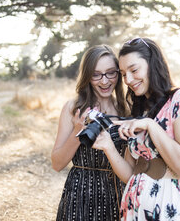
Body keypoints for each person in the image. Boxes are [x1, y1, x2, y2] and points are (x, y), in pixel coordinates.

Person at [92, 38, 180, 220]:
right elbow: (130, 174)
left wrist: (151, 126)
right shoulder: (139, 110)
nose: (128, 79)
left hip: (168, 206)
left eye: (134, 70)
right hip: (135, 206)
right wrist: (108, 147)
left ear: (152, 63)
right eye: (124, 74)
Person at [51, 44, 128, 221]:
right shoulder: (73, 108)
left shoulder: (126, 110)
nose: (104, 81)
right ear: (87, 76)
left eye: (111, 72)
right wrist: (77, 132)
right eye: (96, 74)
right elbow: (56, 163)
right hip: (80, 195)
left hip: (117, 195)